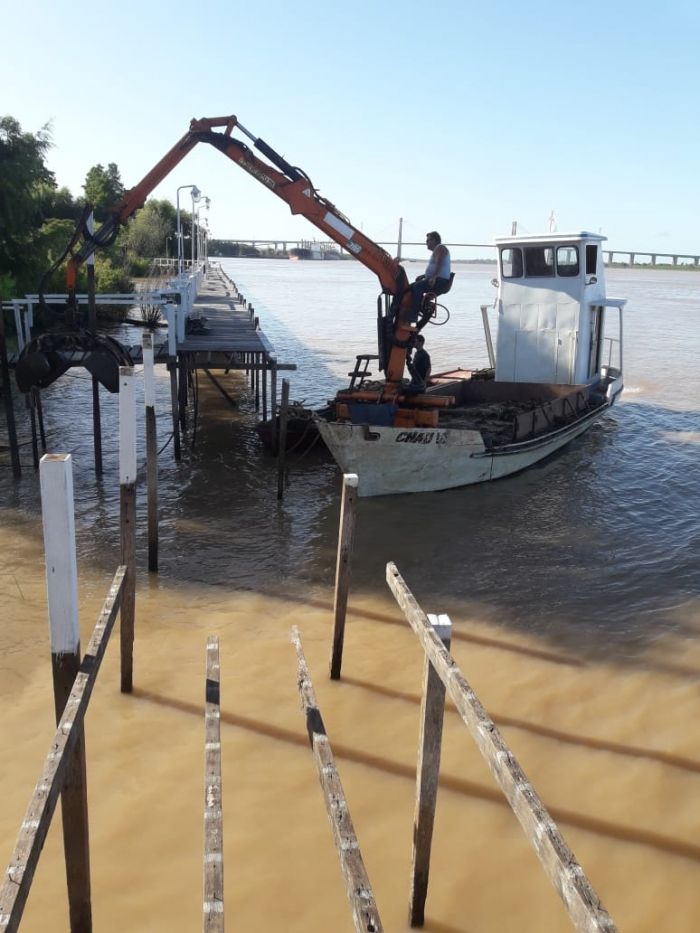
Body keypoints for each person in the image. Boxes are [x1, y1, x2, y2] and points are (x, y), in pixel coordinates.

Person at [408, 231, 451, 324]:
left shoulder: (440, 248)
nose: (426, 243)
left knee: (416, 287)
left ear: (434, 240)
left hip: (440, 281)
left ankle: (413, 316)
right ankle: (419, 307)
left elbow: (439, 263)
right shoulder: (438, 249)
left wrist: (434, 277)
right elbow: (437, 265)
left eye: (428, 240)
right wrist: (423, 276)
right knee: (410, 287)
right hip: (437, 279)